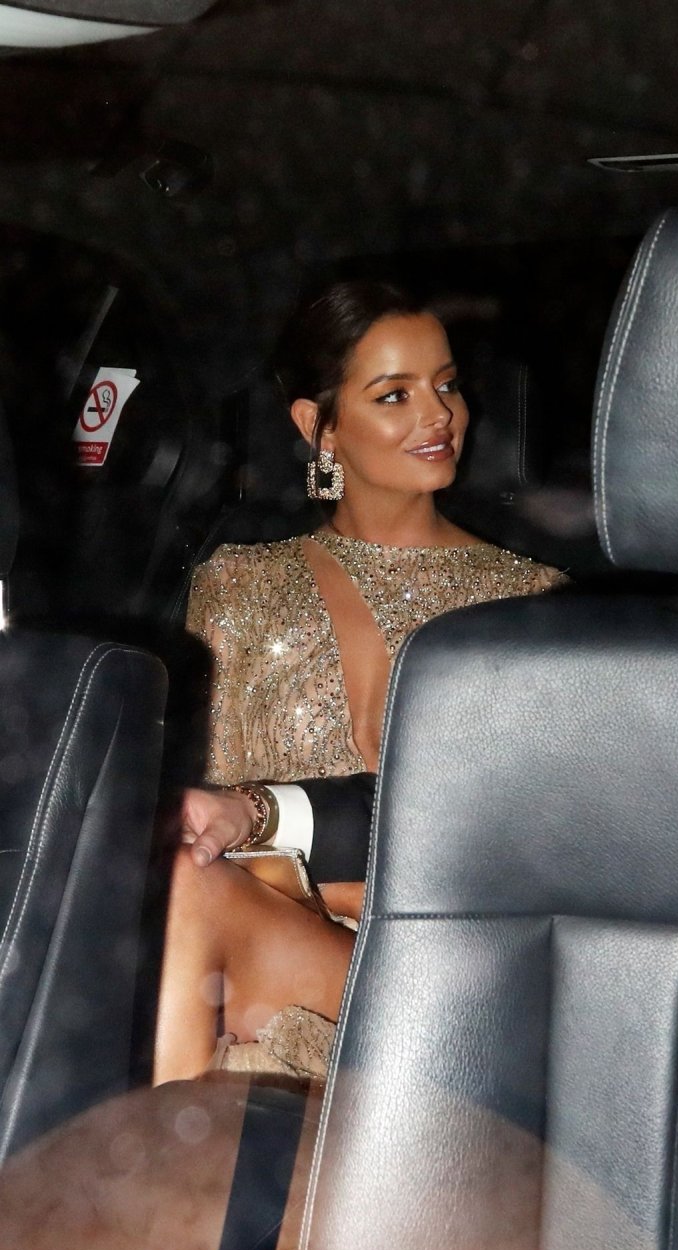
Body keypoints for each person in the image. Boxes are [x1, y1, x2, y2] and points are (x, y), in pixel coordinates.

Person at [154, 280, 565, 1084]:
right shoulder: (235, 586)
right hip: (261, 939)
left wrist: (282, 854)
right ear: (319, 426)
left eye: (447, 384)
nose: (438, 415)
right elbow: (199, 809)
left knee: (186, 897)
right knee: (179, 885)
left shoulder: (533, 602)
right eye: (394, 395)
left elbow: (522, 842)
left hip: (453, 975)